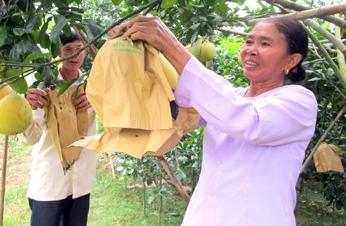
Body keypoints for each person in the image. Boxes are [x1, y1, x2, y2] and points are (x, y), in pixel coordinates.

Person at [117, 16, 317, 226]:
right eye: (249, 41)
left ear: (291, 60)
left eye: (265, 43)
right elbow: (172, 112)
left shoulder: (299, 102)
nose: (251, 49)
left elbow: (244, 120)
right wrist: (131, 49)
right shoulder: (231, 98)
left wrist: (171, 47)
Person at [19, 30, 97, 226]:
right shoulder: (45, 87)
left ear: (86, 52)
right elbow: (29, 138)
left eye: (79, 49)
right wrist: (27, 109)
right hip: (50, 182)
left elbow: (113, 115)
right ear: (58, 53)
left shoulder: (93, 86)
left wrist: (96, 98)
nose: (74, 55)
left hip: (81, 183)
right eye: (67, 49)